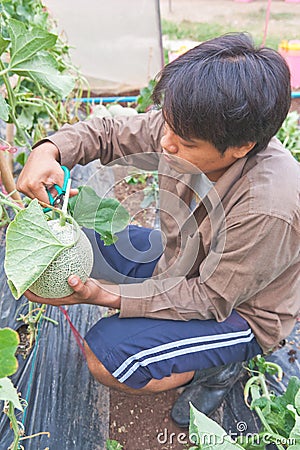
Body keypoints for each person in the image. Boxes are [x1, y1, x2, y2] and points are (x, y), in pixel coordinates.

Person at [17, 32, 300, 428]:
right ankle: (180, 346)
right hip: (183, 259)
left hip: (239, 310)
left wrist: (105, 296)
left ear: (241, 147)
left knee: (107, 361)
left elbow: (211, 298)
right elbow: (109, 133)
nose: (164, 143)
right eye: (165, 125)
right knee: (87, 240)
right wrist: (49, 150)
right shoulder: (186, 127)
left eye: (183, 142)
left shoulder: (267, 207)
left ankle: (217, 367)